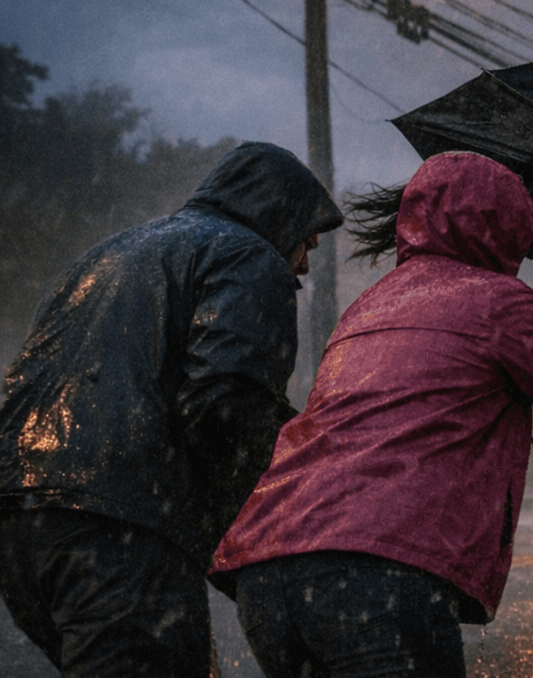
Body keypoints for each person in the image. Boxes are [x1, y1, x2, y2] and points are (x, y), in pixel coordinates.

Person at [210, 150, 533, 677]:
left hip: (272, 569)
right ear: (509, 228)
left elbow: (463, 344)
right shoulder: (498, 303)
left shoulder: (374, 304)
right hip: (375, 573)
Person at [0, 140, 343, 676]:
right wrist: (306, 487)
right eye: (307, 243)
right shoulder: (250, 257)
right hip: (120, 522)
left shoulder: (110, 253)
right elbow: (224, 405)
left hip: (21, 520)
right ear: (279, 218)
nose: (304, 265)